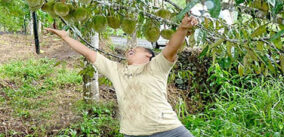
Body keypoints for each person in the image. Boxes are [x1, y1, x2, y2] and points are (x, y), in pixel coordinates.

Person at [45, 14, 198, 137]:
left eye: (136, 49)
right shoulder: (116, 69)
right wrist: (65, 37)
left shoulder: (156, 66)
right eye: (128, 50)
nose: (129, 50)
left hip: (167, 129)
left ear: (148, 55)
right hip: (133, 132)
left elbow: (172, 47)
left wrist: (182, 28)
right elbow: (88, 53)